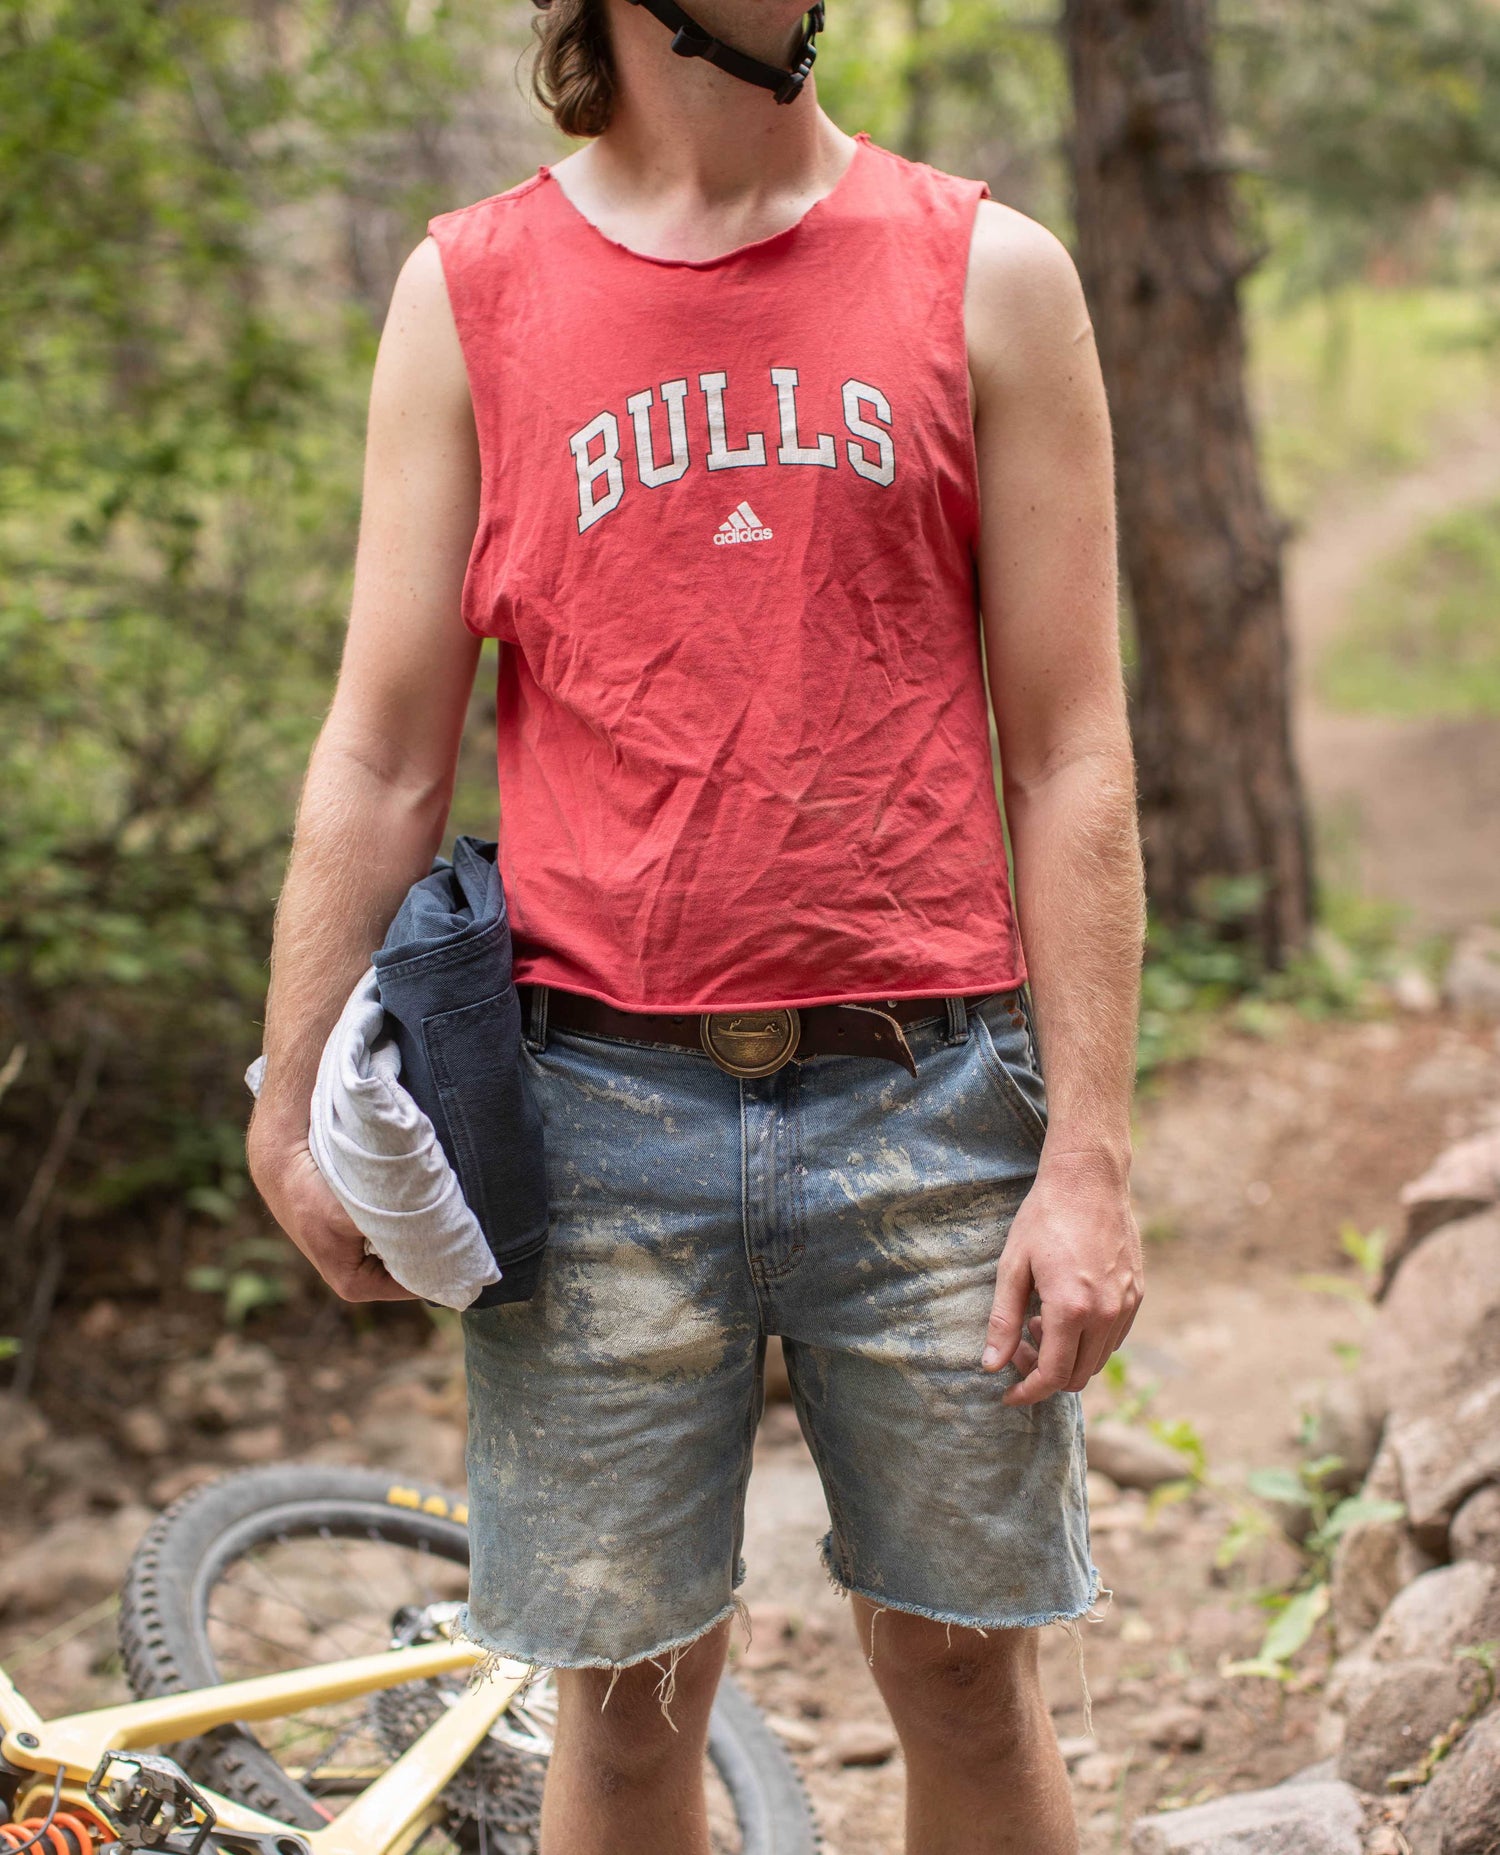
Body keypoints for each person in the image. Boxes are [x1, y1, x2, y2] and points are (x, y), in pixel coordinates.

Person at [247, 0, 1146, 1848]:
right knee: (633, 1718)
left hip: (935, 1098)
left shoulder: (991, 273)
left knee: (968, 1681)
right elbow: (382, 749)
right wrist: (286, 1100)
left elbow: (1071, 756)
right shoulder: (469, 294)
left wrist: (1093, 1155)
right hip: (588, 1124)